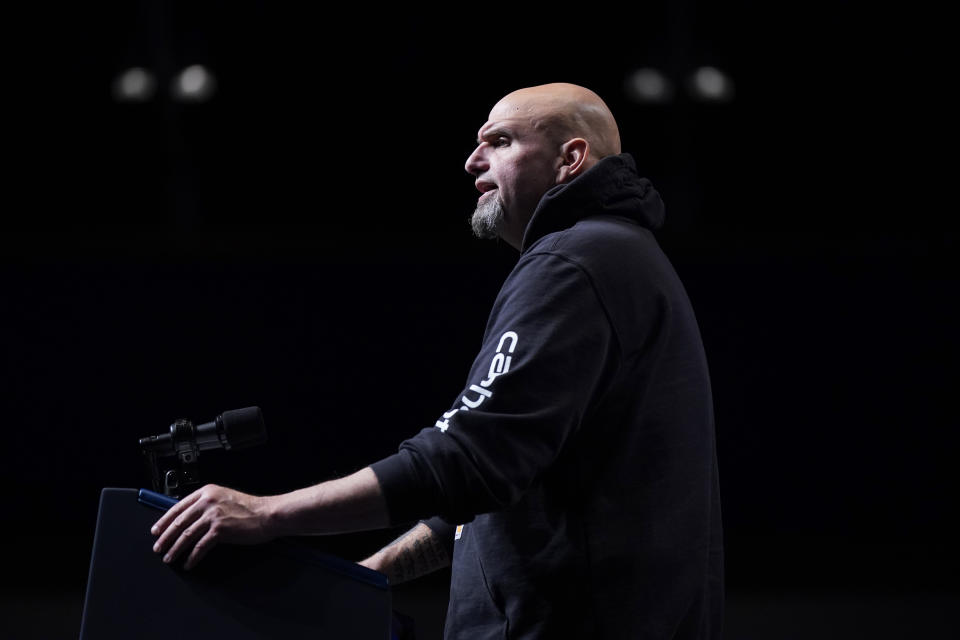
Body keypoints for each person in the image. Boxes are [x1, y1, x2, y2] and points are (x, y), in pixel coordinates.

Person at [151, 83, 724, 639]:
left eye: (499, 142)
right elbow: (489, 492)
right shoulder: (616, 256)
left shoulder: (574, 261)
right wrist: (364, 579)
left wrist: (268, 512)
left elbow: (468, 457)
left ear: (570, 158)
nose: (473, 161)